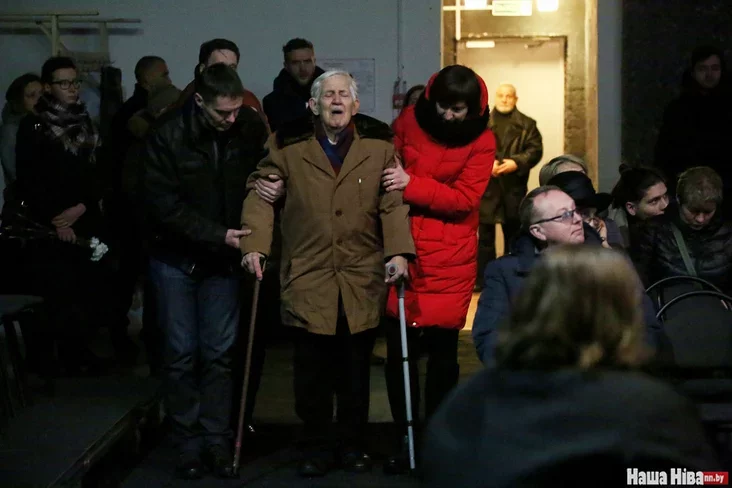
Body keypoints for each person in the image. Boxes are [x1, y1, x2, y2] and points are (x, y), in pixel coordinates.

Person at [424, 245, 720, 488]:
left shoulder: (470, 400)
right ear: (622, 314)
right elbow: (702, 479)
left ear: (532, 302)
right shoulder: (650, 407)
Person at [241, 70, 414, 478]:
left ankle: (353, 445)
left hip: (359, 274)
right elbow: (260, 195)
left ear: (356, 105)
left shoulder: (379, 146)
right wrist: (255, 246)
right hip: (309, 273)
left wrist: (399, 252)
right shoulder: (287, 145)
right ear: (313, 105)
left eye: (343, 95)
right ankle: (316, 446)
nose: (336, 101)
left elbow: (392, 203)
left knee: (355, 371)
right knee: (311, 373)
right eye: (328, 95)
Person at [142, 64, 268, 480]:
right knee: (181, 354)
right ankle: (187, 443)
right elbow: (162, 206)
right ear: (199, 101)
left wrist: (272, 183)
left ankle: (216, 439)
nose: (231, 119)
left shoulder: (247, 127)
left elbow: (264, 170)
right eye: (222, 112)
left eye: (236, 110)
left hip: (222, 261)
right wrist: (218, 235)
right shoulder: (166, 135)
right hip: (174, 258)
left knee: (219, 354)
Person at [379, 65, 496, 474]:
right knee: (400, 352)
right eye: (443, 106)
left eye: (457, 109)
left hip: (450, 256)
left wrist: (410, 183)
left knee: (443, 355)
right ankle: (405, 438)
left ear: (472, 108)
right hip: (402, 246)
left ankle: (439, 439)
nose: (448, 115)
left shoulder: (483, 141)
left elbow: (464, 199)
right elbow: (386, 173)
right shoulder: (409, 121)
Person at [472, 186, 663, 366]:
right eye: (564, 215)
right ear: (538, 231)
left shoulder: (611, 264)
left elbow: (646, 327)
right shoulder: (506, 272)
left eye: (575, 211)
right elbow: (489, 339)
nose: (577, 219)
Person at [15, 56, 110, 374]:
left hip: (84, 216)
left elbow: (97, 172)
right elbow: (31, 179)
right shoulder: (34, 125)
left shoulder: (85, 122)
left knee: (85, 290)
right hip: (50, 224)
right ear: (48, 87)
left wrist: (82, 205)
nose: (72, 88)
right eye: (64, 83)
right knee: (56, 292)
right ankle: (47, 362)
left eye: (75, 81)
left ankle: (77, 353)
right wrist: (57, 219)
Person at [478, 83, 543, 285]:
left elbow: (535, 149)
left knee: (514, 235)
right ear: (495, 97)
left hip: (513, 189)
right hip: (487, 189)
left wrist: (517, 162)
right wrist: (486, 164)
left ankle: (513, 278)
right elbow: (473, 148)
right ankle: (484, 279)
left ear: (515, 99)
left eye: (509, 96)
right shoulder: (481, 123)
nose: (505, 99)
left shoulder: (527, 124)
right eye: (501, 95)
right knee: (485, 239)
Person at [655, 45, 732, 211]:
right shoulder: (678, 109)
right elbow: (665, 152)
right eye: (703, 69)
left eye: (715, 68)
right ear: (693, 72)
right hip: (687, 190)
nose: (709, 74)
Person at [263, 38, 325, 133]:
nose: (303, 68)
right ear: (286, 66)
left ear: (314, 62)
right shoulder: (272, 102)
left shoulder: (334, 96)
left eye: (307, 61)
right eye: (295, 63)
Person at [608, 164, 669, 248]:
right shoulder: (616, 239)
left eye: (665, 196)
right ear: (631, 208)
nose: (665, 205)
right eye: (654, 201)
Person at [1, 73, 42, 186]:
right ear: (20, 101)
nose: (39, 99)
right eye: (32, 95)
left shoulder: (42, 121)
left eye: (42, 93)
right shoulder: (11, 131)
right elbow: (16, 173)